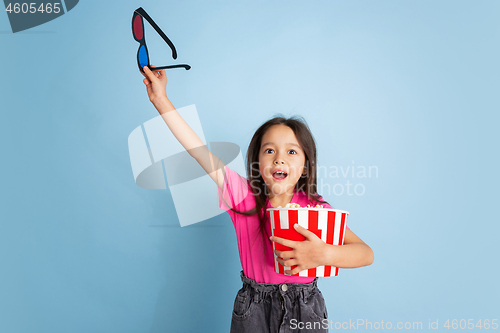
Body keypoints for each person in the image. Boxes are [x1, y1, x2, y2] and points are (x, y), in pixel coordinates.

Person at [140, 65, 374, 333]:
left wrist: (325, 253)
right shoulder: (243, 197)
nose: (280, 158)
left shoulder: (317, 209)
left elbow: (366, 253)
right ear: (257, 162)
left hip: (305, 309)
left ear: (307, 166)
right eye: (270, 150)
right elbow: (198, 152)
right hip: (254, 310)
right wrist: (161, 100)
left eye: (292, 152)